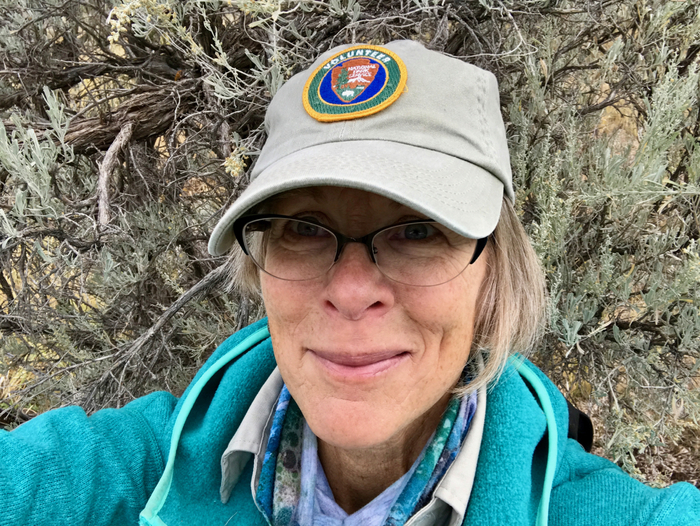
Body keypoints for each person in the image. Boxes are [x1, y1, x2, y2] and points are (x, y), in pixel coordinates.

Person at [1, 40, 698, 526]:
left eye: (417, 231)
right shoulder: (143, 472)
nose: (353, 289)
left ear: (493, 275)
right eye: (304, 228)